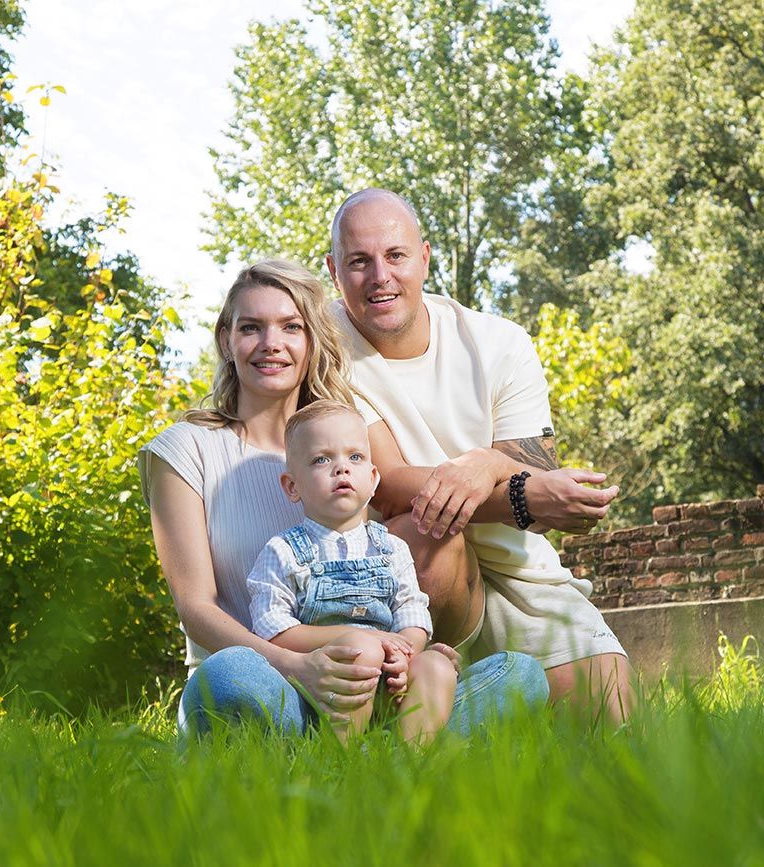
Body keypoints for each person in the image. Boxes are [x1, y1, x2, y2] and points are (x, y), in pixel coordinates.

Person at [139, 258, 547, 736]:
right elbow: (196, 608)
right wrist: (297, 668)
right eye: (251, 328)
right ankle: (334, 753)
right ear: (226, 338)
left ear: (311, 340)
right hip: (268, 684)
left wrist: (408, 652)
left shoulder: (347, 440)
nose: (272, 344)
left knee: (520, 676)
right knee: (229, 676)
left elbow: (389, 543)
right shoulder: (184, 448)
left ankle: (389, 755)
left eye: (291, 327)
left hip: (366, 681)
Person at [325, 188, 636, 724]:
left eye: (395, 256)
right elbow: (390, 483)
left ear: (424, 257)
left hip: (517, 568)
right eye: (359, 262)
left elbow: (532, 461)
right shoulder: (324, 345)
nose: (380, 276)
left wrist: (488, 465)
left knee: (614, 719)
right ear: (334, 270)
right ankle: (409, 705)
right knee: (426, 534)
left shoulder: (498, 342)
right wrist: (522, 494)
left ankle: (467, 712)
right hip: (408, 572)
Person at [247, 399, 457, 744]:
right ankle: (340, 757)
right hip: (323, 688)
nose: (341, 468)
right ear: (292, 486)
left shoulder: (390, 548)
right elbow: (274, 631)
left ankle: (412, 765)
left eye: (355, 457)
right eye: (321, 459)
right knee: (361, 649)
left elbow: (412, 613)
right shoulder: (284, 551)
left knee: (437, 665)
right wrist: (367, 639)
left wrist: (406, 655)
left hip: (391, 686)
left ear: (373, 479)